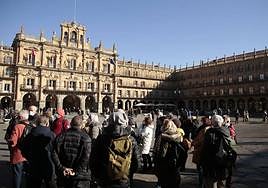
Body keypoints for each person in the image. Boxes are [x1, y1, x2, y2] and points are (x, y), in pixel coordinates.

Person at [90, 109, 141, 188]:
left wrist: (98, 176)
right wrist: (127, 173)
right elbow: (137, 164)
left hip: (105, 179)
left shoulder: (101, 139)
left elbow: (93, 160)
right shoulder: (131, 139)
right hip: (124, 180)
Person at [52, 115, 92, 188]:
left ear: (70, 124)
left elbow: (54, 154)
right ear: (81, 125)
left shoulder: (60, 136)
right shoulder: (86, 138)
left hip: (64, 174)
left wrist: (62, 168)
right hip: (81, 176)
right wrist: (76, 171)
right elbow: (86, 157)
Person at [200, 115, 236, 188]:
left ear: (212, 123)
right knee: (222, 183)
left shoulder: (209, 133)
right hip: (223, 161)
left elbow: (205, 149)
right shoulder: (226, 131)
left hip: (211, 163)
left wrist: (202, 161)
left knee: (212, 183)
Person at [21, 115, 57, 188]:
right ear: (47, 124)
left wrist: (29, 157)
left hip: (33, 164)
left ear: (37, 123)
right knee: (50, 184)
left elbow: (23, 148)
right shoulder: (52, 135)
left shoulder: (30, 135)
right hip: (48, 164)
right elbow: (56, 151)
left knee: (33, 184)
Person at [154, 119, 184, 188]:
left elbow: (156, 154)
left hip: (164, 169)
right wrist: (178, 166)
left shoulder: (161, 137)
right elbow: (183, 154)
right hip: (174, 169)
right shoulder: (178, 136)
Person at [9, 110, 29, 188]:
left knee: (17, 174)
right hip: (29, 154)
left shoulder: (18, 126)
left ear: (20, 117)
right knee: (28, 174)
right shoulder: (32, 125)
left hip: (19, 154)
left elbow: (13, 141)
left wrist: (11, 146)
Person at [191, 116, 212, 188]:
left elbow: (197, 141)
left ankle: (202, 185)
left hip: (201, 152)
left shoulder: (202, 130)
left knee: (201, 170)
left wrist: (193, 143)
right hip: (210, 154)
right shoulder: (213, 129)